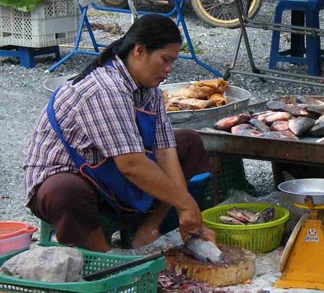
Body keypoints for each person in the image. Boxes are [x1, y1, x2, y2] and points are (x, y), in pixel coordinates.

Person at [24, 14, 216, 251]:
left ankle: (148, 230)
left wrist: (184, 210)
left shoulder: (150, 90)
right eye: (165, 60)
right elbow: (131, 165)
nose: (169, 69)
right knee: (66, 191)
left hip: (110, 176)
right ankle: (104, 259)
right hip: (67, 180)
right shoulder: (105, 89)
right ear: (139, 51)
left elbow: (166, 152)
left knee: (188, 142)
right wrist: (186, 204)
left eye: (172, 62)